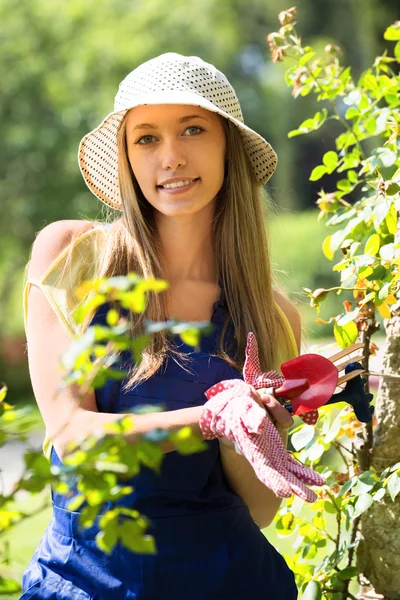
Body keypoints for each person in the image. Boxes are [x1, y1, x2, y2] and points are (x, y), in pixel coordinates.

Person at [21, 53, 301, 599]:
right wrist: (215, 416)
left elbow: (260, 509)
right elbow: (74, 437)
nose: (170, 157)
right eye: (146, 139)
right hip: (83, 583)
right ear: (126, 157)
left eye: (193, 130)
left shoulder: (270, 315)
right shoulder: (74, 258)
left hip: (233, 582)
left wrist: (258, 429)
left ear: (229, 148)